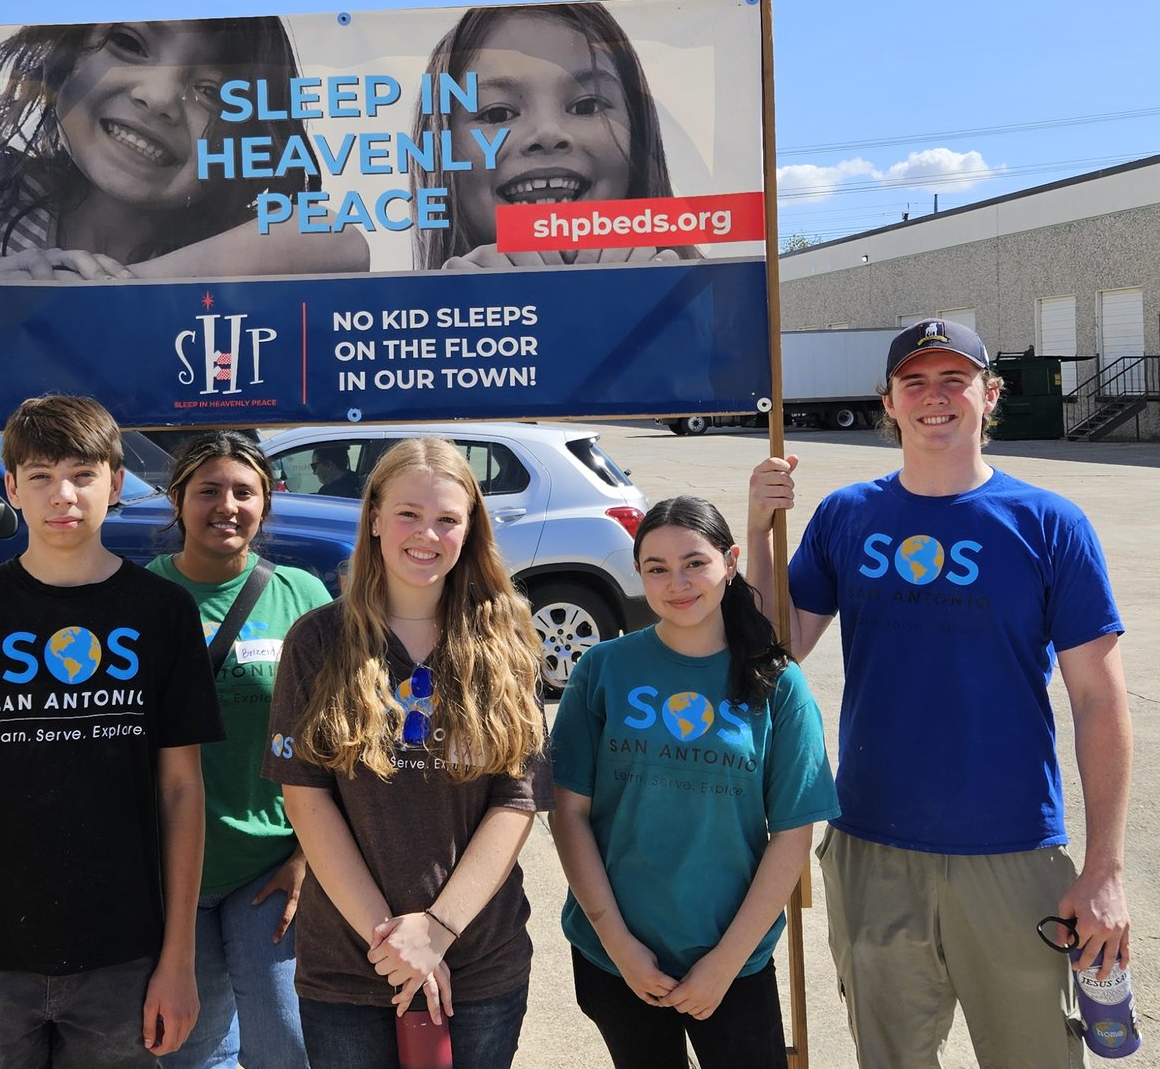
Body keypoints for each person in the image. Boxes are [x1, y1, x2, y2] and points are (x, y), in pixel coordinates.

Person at [749, 318, 1133, 1069]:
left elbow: (1099, 699)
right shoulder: (846, 516)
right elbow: (775, 654)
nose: (934, 397)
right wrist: (761, 528)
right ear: (887, 403)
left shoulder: (1049, 525)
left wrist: (1105, 869)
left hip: (1012, 852)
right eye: (914, 382)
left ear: (989, 396)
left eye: (953, 379)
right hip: (871, 847)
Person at [0, 395, 223, 1069]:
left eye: (83, 473)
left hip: (125, 958)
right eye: (39, 476)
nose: (62, 495)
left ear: (117, 483)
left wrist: (178, 960)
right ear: (10, 488)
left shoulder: (162, 613)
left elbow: (183, 792)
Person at [263, 437, 547, 1069]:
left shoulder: (506, 643)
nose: (428, 534)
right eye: (408, 514)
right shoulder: (318, 639)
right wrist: (395, 945)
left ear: (470, 529)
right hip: (351, 965)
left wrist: (438, 930)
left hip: (479, 961)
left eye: (447, 518)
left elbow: (517, 800)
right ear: (374, 518)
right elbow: (306, 799)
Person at [548, 496, 837, 1069]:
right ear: (639, 573)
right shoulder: (602, 669)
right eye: (656, 567)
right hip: (617, 955)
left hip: (732, 958)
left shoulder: (777, 682)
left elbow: (793, 834)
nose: (676, 582)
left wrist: (725, 963)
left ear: (729, 563)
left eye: (694, 563)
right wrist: (621, 946)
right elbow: (568, 814)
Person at [147, 433, 336, 1069]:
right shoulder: (136, 599)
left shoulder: (302, 596)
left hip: (270, 865)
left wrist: (310, 856)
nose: (226, 505)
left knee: (287, 1040)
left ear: (265, 503)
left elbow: (337, 734)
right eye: (207, 491)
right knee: (190, 1050)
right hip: (168, 865)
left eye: (243, 491)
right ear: (177, 501)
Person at [0, 18, 367, 281]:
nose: (161, 98)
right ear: (62, 60)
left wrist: (110, 289)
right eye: (129, 43)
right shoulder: (3, 186)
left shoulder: (219, 241)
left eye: (213, 93)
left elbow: (338, 237)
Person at [407, 2, 689, 271]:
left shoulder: (721, 309)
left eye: (587, 106)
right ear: (443, 155)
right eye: (497, 115)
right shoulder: (387, 317)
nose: (548, 132)